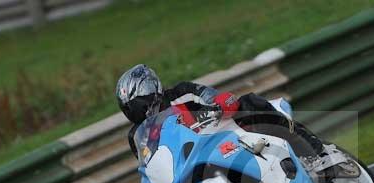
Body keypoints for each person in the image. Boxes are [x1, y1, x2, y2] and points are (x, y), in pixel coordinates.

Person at [115, 64, 325, 160]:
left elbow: (210, 95)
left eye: (135, 103)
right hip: (192, 161)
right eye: (129, 108)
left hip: (223, 132)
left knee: (250, 103)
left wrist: (219, 104)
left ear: (148, 90)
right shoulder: (136, 135)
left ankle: (315, 150)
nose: (134, 111)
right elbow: (149, 164)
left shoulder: (181, 93)